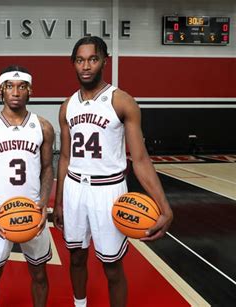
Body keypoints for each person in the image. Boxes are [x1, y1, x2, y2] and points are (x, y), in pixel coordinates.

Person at [53, 36, 173, 307]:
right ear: (73, 63)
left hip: (109, 190)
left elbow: (140, 160)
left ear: (104, 61)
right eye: (80, 60)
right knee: (76, 256)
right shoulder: (66, 106)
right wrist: (59, 200)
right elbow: (65, 158)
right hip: (74, 187)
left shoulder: (122, 101)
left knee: (112, 266)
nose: (86, 66)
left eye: (93, 59)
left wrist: (165, 207)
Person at [0, 65, 55, 307]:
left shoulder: (43, 126)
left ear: (31, 91)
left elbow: (48, 168)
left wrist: (43, 203)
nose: (16, 92)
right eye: (10, 86)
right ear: (0, 90)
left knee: (39, 273)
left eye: (22, 87)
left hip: (33, 210)